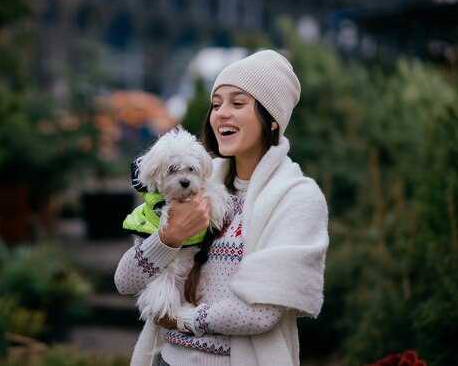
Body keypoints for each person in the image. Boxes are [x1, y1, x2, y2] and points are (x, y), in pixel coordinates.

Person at [114, 49, 329, 366]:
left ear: (272, 120)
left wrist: (184, 320)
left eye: (237, 103)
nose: (221, 114)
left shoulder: (296, 198)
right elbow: (125, 282)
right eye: (216, 104)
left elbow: (261, 312)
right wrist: (169, 237)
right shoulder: (195, 180)